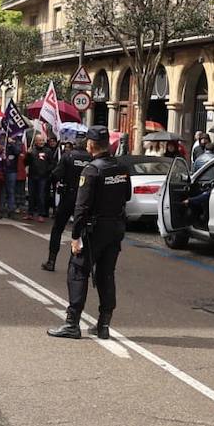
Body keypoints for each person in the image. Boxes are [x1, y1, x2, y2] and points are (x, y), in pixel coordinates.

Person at [48, 125, 132, 340]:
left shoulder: (92, 170)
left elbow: (82, 207)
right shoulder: (121, 167)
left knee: (77, 271)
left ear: (91, 145)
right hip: (115, 228)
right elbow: (127, 196)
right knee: (106, 274)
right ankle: (103, 325)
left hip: (94, 230)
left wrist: (75, 237)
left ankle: (72, 323)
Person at [43, 136, 92, 271]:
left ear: (75, 144)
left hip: (68, 196)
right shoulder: (91, 158)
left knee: (57, 228)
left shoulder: (68, 156)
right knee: (81, 230)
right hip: (85, 198)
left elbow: (56, 175)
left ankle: (51, 261)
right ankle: (76, 264)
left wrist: (51, 180)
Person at [26, 132, 54, 223]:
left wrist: (46, 171)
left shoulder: (48, 151)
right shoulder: (32, 150)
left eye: (42, 140)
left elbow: (52, 163)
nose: (41, 142)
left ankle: (41, 214)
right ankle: (30, 213)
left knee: (41, 195)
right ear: (35, 141)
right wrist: (28, 154)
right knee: (31, 195)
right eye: (40, 140)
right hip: (32, 176)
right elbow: (26, 163)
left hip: (42, 177)